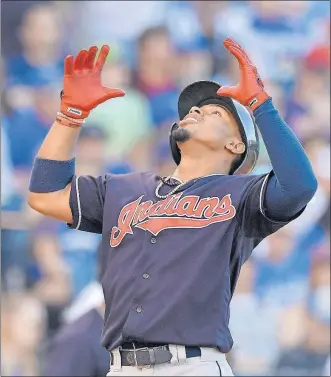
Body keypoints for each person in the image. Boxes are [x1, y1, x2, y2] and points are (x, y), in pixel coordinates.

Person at [27, 38, 317, 376]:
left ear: (236, 144)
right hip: (121, 367)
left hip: (193, 365)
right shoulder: (123, 188)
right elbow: (44, 195)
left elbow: (299, 185)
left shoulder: (242, 195)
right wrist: (69, 116)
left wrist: (259, 104)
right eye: (193, 109)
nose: (195, 111)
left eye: (213, 111)